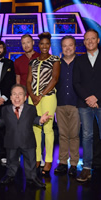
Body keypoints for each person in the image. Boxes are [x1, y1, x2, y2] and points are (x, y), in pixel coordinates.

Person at [0, 84, 52, 188]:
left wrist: (41, 120)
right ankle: (10, 175)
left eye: (20, 94)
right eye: (14, 94)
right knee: (11, 160)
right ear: (10, 97)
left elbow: (34, 119)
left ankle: (32, 178)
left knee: (30, 161)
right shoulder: (5, 109)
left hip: (27, 141)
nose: (17, 97)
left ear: (25, 97)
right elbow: (3, 121)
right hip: (12, 141)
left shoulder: (31, 109)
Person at [27, 32, 60, 175]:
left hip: (48, 97)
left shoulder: (55, 59)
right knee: (35, 130)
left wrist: (40, 95)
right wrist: (33, 96)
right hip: (33, 98)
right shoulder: (33, 61)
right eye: (42, 44)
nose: (44, 46)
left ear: (50, 45)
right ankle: (37, 159)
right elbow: (28, 81)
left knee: (48, 129)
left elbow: (55, 79)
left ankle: (48, 161)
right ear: (38, 45)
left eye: (47, 44)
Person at [73, 29, 101, 182]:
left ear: (98, 40)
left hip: (100, 101)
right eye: (87, 39)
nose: (90, 41)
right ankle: (86, 168)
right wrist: (88, 98)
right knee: (87, 136)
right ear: (84, 42)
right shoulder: (79, 60)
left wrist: (96, 97)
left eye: (93, 38)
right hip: (84, 104)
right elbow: (76, 82)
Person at [54, 36, 80, 176]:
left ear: (75, 47)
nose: (67, 48)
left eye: (70, 45)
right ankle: (63, 162)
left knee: (74, 135)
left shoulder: (81, 62)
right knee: (63, 135)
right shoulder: (57, 64)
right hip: (60, 103)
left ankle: (74, 164)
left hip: (76, 104)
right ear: (61, 48)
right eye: (64, 46)